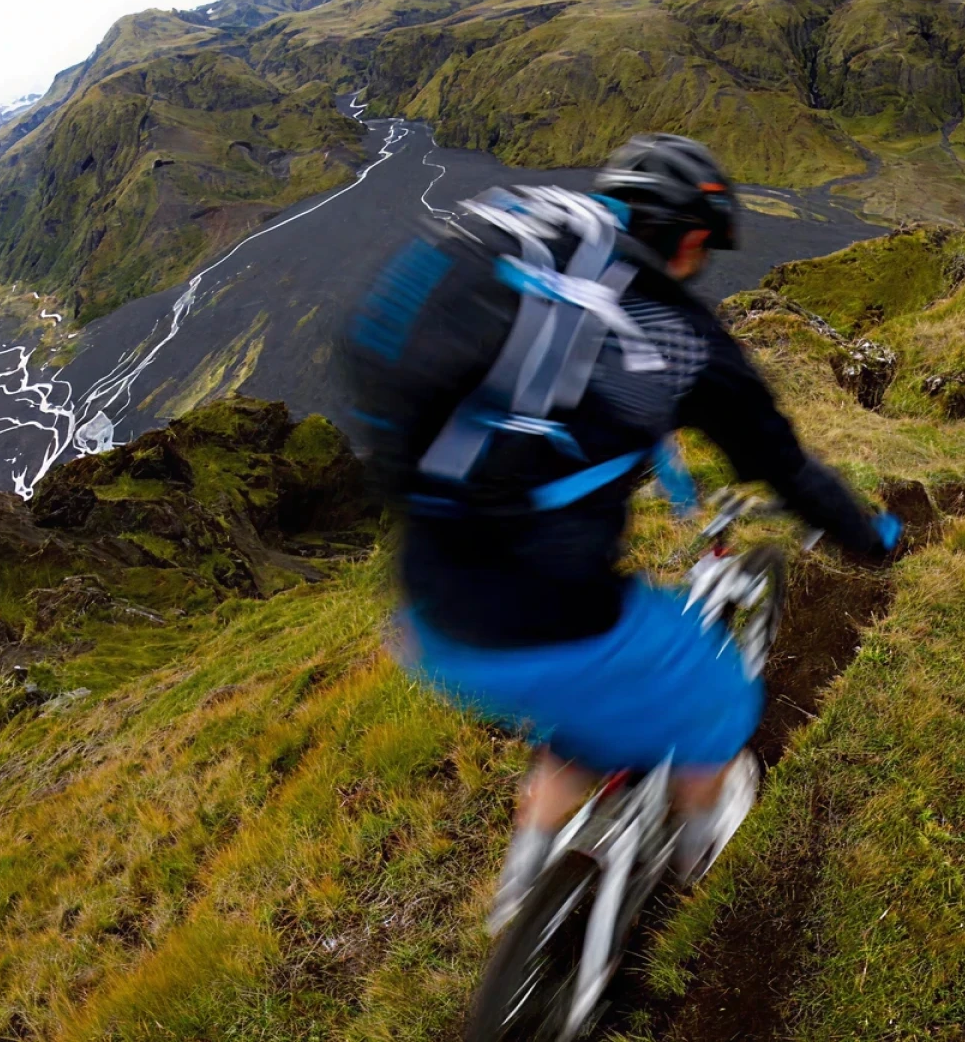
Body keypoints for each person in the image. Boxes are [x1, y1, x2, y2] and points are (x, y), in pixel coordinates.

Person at [341, 133, 896, 931]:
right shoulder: (680, 333)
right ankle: (701, 841)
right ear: (694, 236)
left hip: (428, 613)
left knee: (583, 722)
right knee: (722, 703)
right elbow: (787, 467)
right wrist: (870, 535)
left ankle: (525, 878)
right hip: (553, 618)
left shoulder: (518, 238)